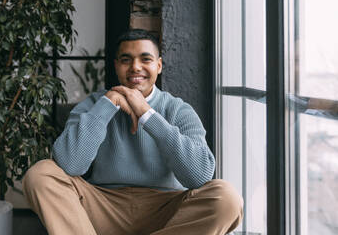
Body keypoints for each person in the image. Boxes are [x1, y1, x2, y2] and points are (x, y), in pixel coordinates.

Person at [22, 29, 243, 235]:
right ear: (116, 65)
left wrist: (148, 114)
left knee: (227, 198)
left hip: (167, 211)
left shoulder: (178, 110)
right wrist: (108, 105)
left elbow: (200, 175)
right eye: (126, 60)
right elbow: (70, 164)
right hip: (102, 207)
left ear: (159, 65)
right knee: (41, 174)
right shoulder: (93, 105)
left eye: (145, 59)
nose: (135, 67)